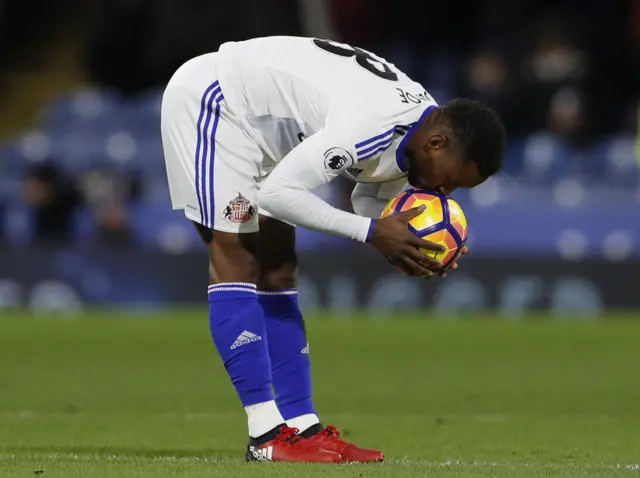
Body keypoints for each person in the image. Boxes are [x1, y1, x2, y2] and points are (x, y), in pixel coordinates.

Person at [161, 36, 506, 463]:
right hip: (216, 100)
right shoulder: (372, 123)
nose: (444, 191)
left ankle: (303, 427)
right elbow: (277, 195)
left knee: (280, 266)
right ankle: (266, 434)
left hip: (266, 123)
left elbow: (367, 197)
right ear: (437, 144)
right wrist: (372, 232)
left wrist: (400, 240)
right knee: (238, 253)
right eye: (450, 180)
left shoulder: (422, 127)